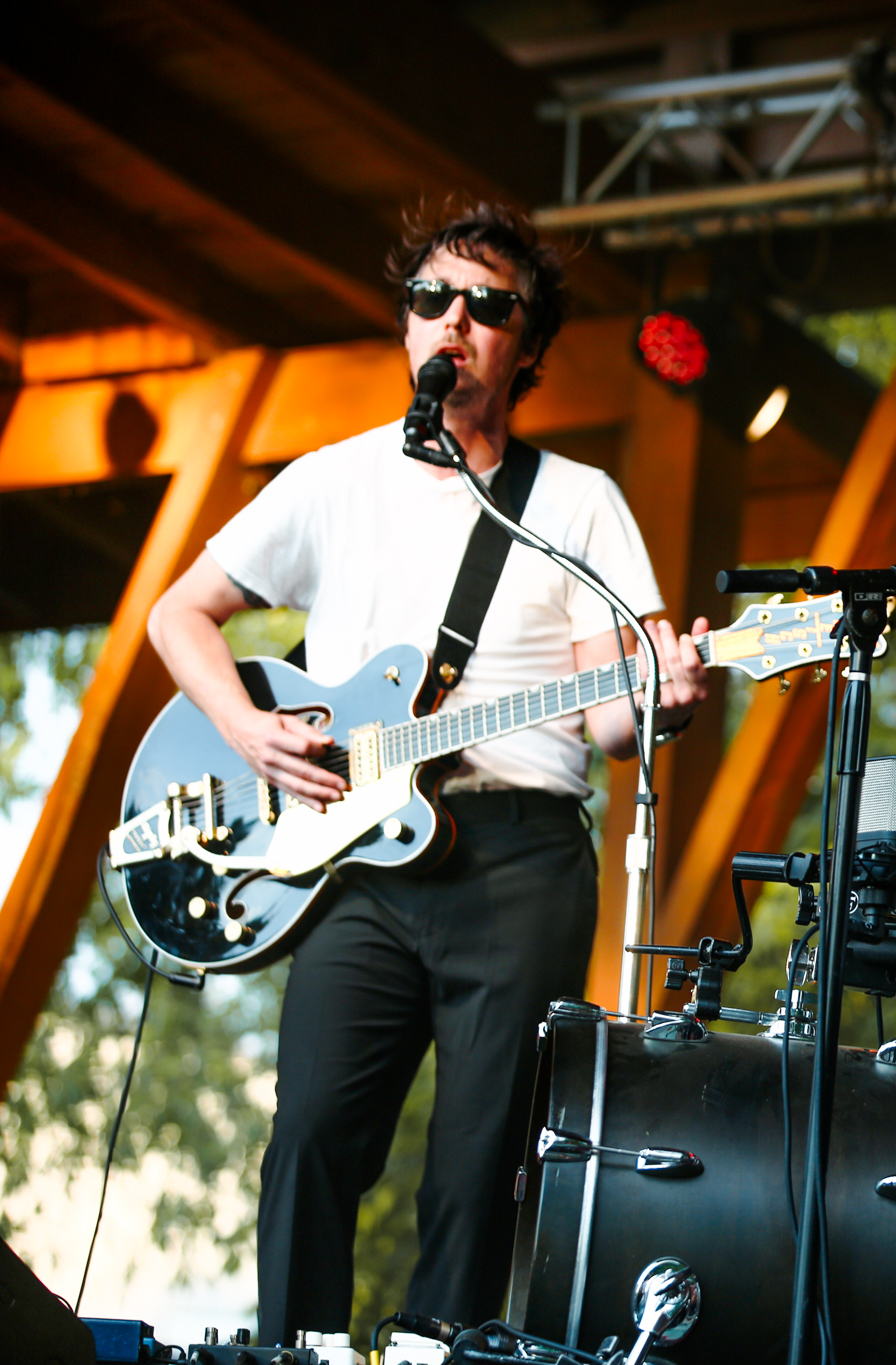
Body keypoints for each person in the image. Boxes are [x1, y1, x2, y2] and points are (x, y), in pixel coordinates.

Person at [145, 203, 712, 1345]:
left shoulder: (577, 503)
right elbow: (180, 613)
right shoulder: (333, 481)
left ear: (524, 346)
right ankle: (291, 1348)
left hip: (518, 860)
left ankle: (432, 1350)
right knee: (306, 1133)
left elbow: (609, 718)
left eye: (488, 306)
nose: (455, 319)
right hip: (358, 860)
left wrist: (672, 688)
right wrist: (249, 732)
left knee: (477, 1157)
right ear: (407, 325)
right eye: (432, 298)